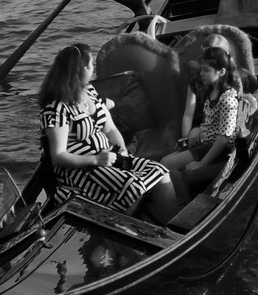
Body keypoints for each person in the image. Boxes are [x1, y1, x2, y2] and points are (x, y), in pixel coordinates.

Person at [38, 42, 182, 225]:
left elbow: (110, 129)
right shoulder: (56, 108)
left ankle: (171, 227)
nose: (93, 68)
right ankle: (118, 231)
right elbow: (58, 156)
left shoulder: (89, 91)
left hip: (108, 157)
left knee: (160, 171)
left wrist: (122, 150)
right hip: (79, 170)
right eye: (91, 64)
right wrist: (95, 159)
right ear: (82, 69)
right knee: (133, 187)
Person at [164, 44, 244, 192]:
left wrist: (201, 164)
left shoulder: (227, 100)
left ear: (221, 72)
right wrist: (191, 138)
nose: (201, 74)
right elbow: (210, 125)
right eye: (201, 69)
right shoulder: (212, 92)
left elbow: (223, 139)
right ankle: (179, 197)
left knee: (168, 165)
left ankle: (184, 201)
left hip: (221, 151)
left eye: (206, 70)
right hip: (206, 144)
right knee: (165, 162)